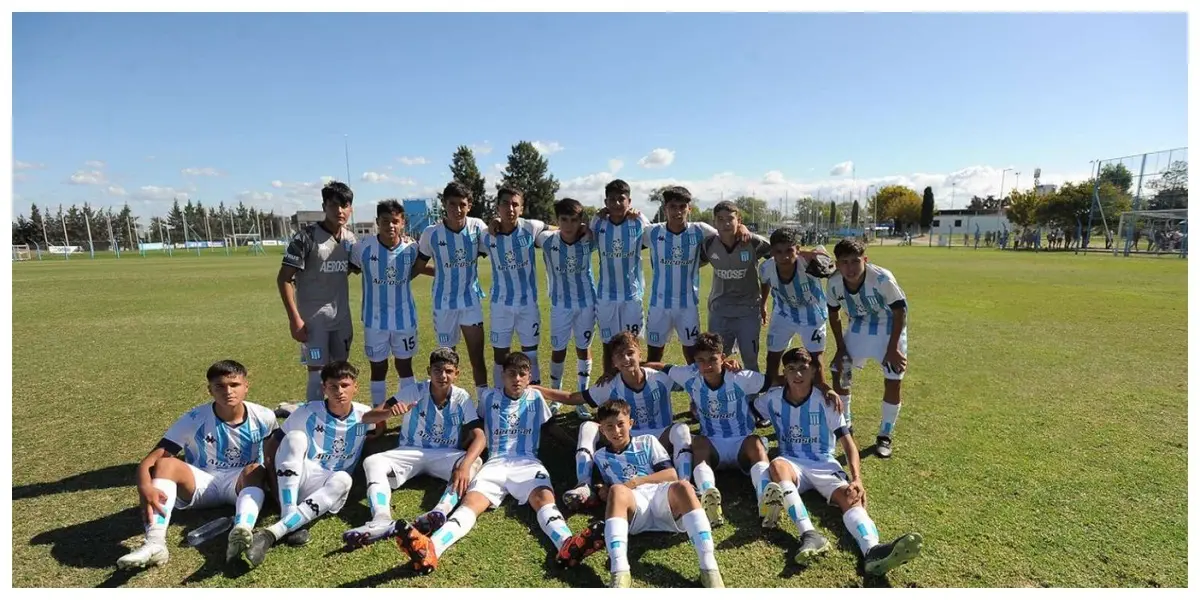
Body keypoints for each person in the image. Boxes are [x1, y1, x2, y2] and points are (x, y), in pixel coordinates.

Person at [392, 352, 607, 575]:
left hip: (527, 462)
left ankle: (566, 543)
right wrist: (462, 454)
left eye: (522, 374)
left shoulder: (535, 398)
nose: (516, 379)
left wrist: (575, 448)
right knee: (470, 504)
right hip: (494, 464)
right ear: (502, 375)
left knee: (544, 498)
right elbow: (476, 429)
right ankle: (432, 547)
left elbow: (550, 427)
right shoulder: (488, 398)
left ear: (529, 376)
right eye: (511, 374)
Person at [644, 332, 841, 528]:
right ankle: (708, 496)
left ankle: (765, 499)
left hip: (741, 442)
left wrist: (821, 385)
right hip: (713, 444)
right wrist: (634, 365)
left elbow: (778, 380)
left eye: (713, 359)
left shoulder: (740, 377)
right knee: (699, 443)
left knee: (755, 442)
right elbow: (662, 367)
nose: (707, 365)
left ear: (723, 357)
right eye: (701, 361)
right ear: (695, 362)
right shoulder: (689, 375)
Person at [755, 347, 923, 574]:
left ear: (814, 371)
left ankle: (872, 550)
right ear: (784, 372)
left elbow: (848, 444)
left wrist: (857, 479)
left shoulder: (827, 401)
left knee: (851, 496)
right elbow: (745, 411)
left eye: (804, 369)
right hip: (792, 462)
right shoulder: (772, 399)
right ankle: (809, 534)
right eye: (791, 369)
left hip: (824, 463)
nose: (797, 375)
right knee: (777, 465)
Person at [116, 360, 277, 570]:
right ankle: (155, 543)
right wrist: (145, 487)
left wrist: (278, 495)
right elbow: (151, 459)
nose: (228, 391)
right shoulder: (193, 419)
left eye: (234, 385)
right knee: (166, 463)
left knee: (257, 468)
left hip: (240, 483)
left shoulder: (264, 416)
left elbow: (272, 458)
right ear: (210, 390)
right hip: (201, 483)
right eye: (219, 386)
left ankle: (241, 531)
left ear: (246, 386)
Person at [243, 361, 400, 568]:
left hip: (329, 485)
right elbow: (273, 443)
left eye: (345, 385)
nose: (339, 391)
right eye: (333, 386)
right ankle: (288, 513)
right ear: (324, 388)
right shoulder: (308, 411)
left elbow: (376, 432)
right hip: (298, 475)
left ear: (355, 387)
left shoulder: (364, 415)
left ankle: (275, 531)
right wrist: (272, 480)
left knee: (344, 479)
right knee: (295, 438)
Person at [342, 347, 487, 548]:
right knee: (372, 461)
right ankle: (381, 518)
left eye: (448, 371)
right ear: (429, 371)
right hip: (409, 451)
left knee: (473, 462)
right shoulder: (415, 391)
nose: (442, 376)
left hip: (443, 455)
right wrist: (390, 413)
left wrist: (464, 466)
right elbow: (368, 417)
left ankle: (440, 512)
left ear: (456, 373)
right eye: (437, 370)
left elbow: (480, 436)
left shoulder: (461, 397)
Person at [532, 331, 692, 512]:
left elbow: (695, 376)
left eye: (630, 353)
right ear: (614, 362)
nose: (626, 359)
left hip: (659, 436)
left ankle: (684, 485)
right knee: (588, 427)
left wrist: (727, 365)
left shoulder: (660, 377)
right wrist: (537, 389)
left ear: (640, 353)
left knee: (681, 429)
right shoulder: (610, 384)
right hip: (626, 436)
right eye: (619, 356)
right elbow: (573, 397)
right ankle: (584, 485)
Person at [589, 400, 724, 588]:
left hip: (660, 497)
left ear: (631, 423)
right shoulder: (599, 456)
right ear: (602, 430)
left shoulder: (647, 441)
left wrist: (636, 481)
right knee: (617, 490)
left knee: (683, 486)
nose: (616, 431)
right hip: (634, 507)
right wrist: (601, 488)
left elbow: (670, 474)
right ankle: (619, 574)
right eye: (609, 427)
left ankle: (709, 569)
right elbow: (599, 483)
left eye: (621, 424)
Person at [643, 186, 751, 365]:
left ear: (689, 209)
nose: (678, 212)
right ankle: (654, 391)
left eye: (682, 207)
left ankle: (697, 392)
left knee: (694, 357)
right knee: (654, 357)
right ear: (665, 209)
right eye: (673, 207)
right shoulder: (652, 232)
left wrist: (742, 227)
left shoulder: (699, 230)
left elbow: (726, 232)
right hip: (658, 305)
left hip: (688, 306)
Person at [276, 181, 358, 412]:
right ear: (324, 206)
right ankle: (312, 419)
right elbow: (284, 278)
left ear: (351, 208)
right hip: (313, 319)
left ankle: (337, 415)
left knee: (340, 370)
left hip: (341, 318)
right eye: (334, 205)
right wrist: (295, 319)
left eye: (345, 205)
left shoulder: (351, 240)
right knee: (316, 369)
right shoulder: (306, 237)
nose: (339, 211)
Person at [827, 238, 909, 458]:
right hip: (859, 325)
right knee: (841, 371)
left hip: (888, 326)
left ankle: (885, 434)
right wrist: (840, 348)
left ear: (865, 259)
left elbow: (900, 311)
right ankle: (846, 425)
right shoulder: (834, 283)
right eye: (844, 262)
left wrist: (893, 349)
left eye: (855, 261)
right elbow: (833, 315)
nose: (850, 268)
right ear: (837, 264)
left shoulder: (882, 279)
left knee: (893, 379)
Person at [348, 199, 428, 413]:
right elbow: (349, 268)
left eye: (395, 221)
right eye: (385, 221)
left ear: (403, 223)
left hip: (405, 319)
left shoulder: (412, 248)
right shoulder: (362, 248)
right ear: (377, 222)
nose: (390, 226)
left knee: (404, 366)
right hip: (374, 320)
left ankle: (410, 412)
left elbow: (422, 267)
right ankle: (378, 415)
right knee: (378, 368)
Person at [412, 182, 490, 397]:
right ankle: (444, 402)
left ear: (469, 205)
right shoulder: (431, 233)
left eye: (462, 204)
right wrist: (444, 273)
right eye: (452, 204)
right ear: (444, 205)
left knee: (477, 356)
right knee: (446, 360)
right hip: (443, 303)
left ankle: (483, 404)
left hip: (470, 301)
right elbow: (419, 266)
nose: (457, 209)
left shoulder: (477, 227)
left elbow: (495, 246)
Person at [481, 185, 551, 389]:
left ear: (521, 208)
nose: (510, 209)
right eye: (505, 203)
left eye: (515, 204)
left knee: (531, 355)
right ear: (497, 207)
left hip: (527, 305)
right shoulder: (486, 236)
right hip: (500, 306)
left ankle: (533, 398)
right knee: (500, 356)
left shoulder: (532, 227)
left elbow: (558, 230)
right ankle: (499, 396)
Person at [539, 198, 597, 419]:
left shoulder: (589, 240)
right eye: (564, 220)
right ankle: (556, 399)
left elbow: (604, 223)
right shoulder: (546, 240)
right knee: (558, 350)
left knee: (583, 348)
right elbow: (526, 226)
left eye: (574, 220)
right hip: (560, 305)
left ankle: (581, 398)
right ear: (557, 220)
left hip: (586, 303)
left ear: (580, 221)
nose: (569, 225)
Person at [699, 200, 771, 373]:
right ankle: (722, 397)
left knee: (750, 360)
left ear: (738, 219)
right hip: (719, 311)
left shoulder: (753, 242)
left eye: (730, 218)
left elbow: (777, 261)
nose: (725, 223)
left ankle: (752, 400)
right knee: (717, 360)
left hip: (748, 311)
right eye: (720, 219)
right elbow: (692, 264)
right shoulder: (708, 244)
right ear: (714, 222)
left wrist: (764, 302)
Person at [759, 227, 833, 394]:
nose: (784, 256)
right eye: (778, 251)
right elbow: (764, 282)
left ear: (798, 249)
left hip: (812, 314)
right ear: (772, 252)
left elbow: (828, 261)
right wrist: (763, 304)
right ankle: (772, 398)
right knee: (772, 357)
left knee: (816, 362)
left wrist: (814, 253)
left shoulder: (808, 262)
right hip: (783, 313)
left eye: (789, 250)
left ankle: (818, 400)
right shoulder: (766, 268)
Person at [591, 179, 651, 373]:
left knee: (632, 345)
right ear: (606, 202)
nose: (617, 203)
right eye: (612, 199)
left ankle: (634, 386)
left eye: (621, 199)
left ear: (629, 200)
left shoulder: (639, 221)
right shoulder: (598, 222)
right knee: (608, 345)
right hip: (606, 297)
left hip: (631, 297)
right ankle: (610, 389)